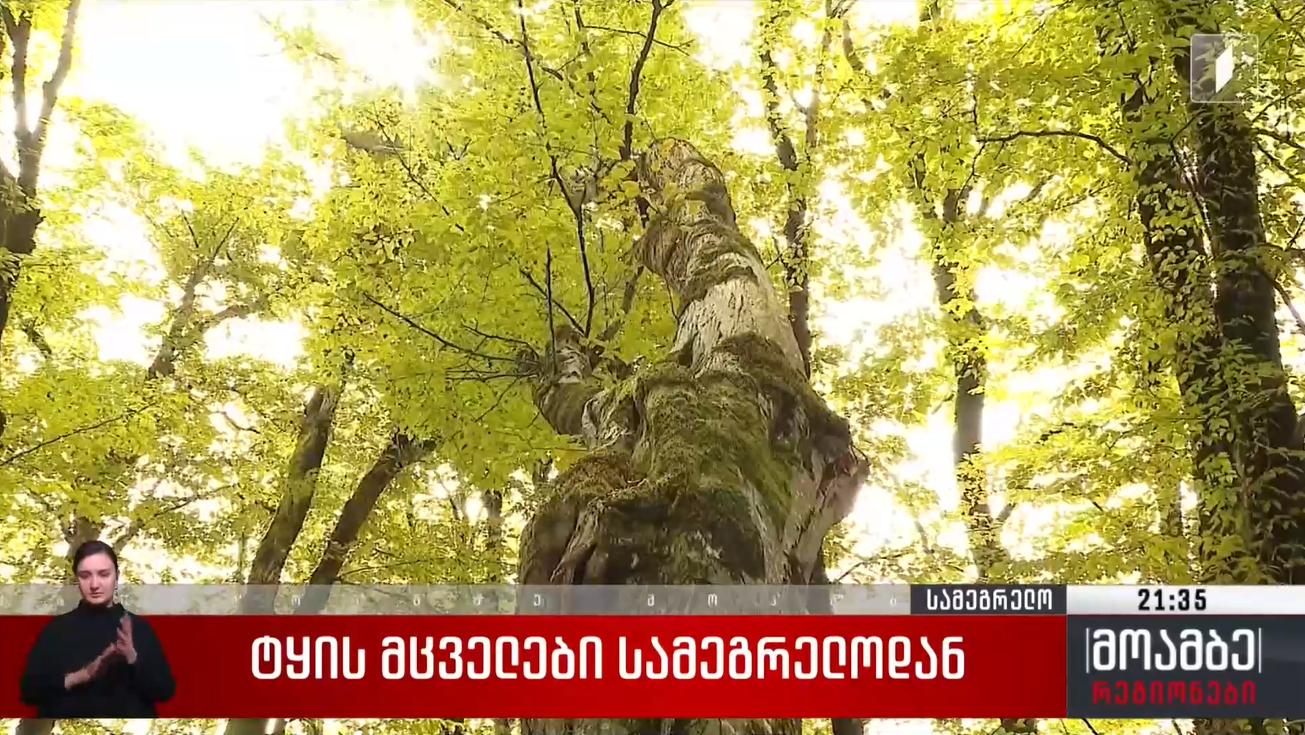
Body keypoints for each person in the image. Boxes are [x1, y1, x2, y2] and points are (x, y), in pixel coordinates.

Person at [18, 540, 176, 718]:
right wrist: (81, 675)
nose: (94, 584)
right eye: (85, 576)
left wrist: (132, 657)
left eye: (103, 574)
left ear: (116, 577)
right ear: (76, 579)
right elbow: (28, 692)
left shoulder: (139, 628)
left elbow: (165, 691)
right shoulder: (56, 630)